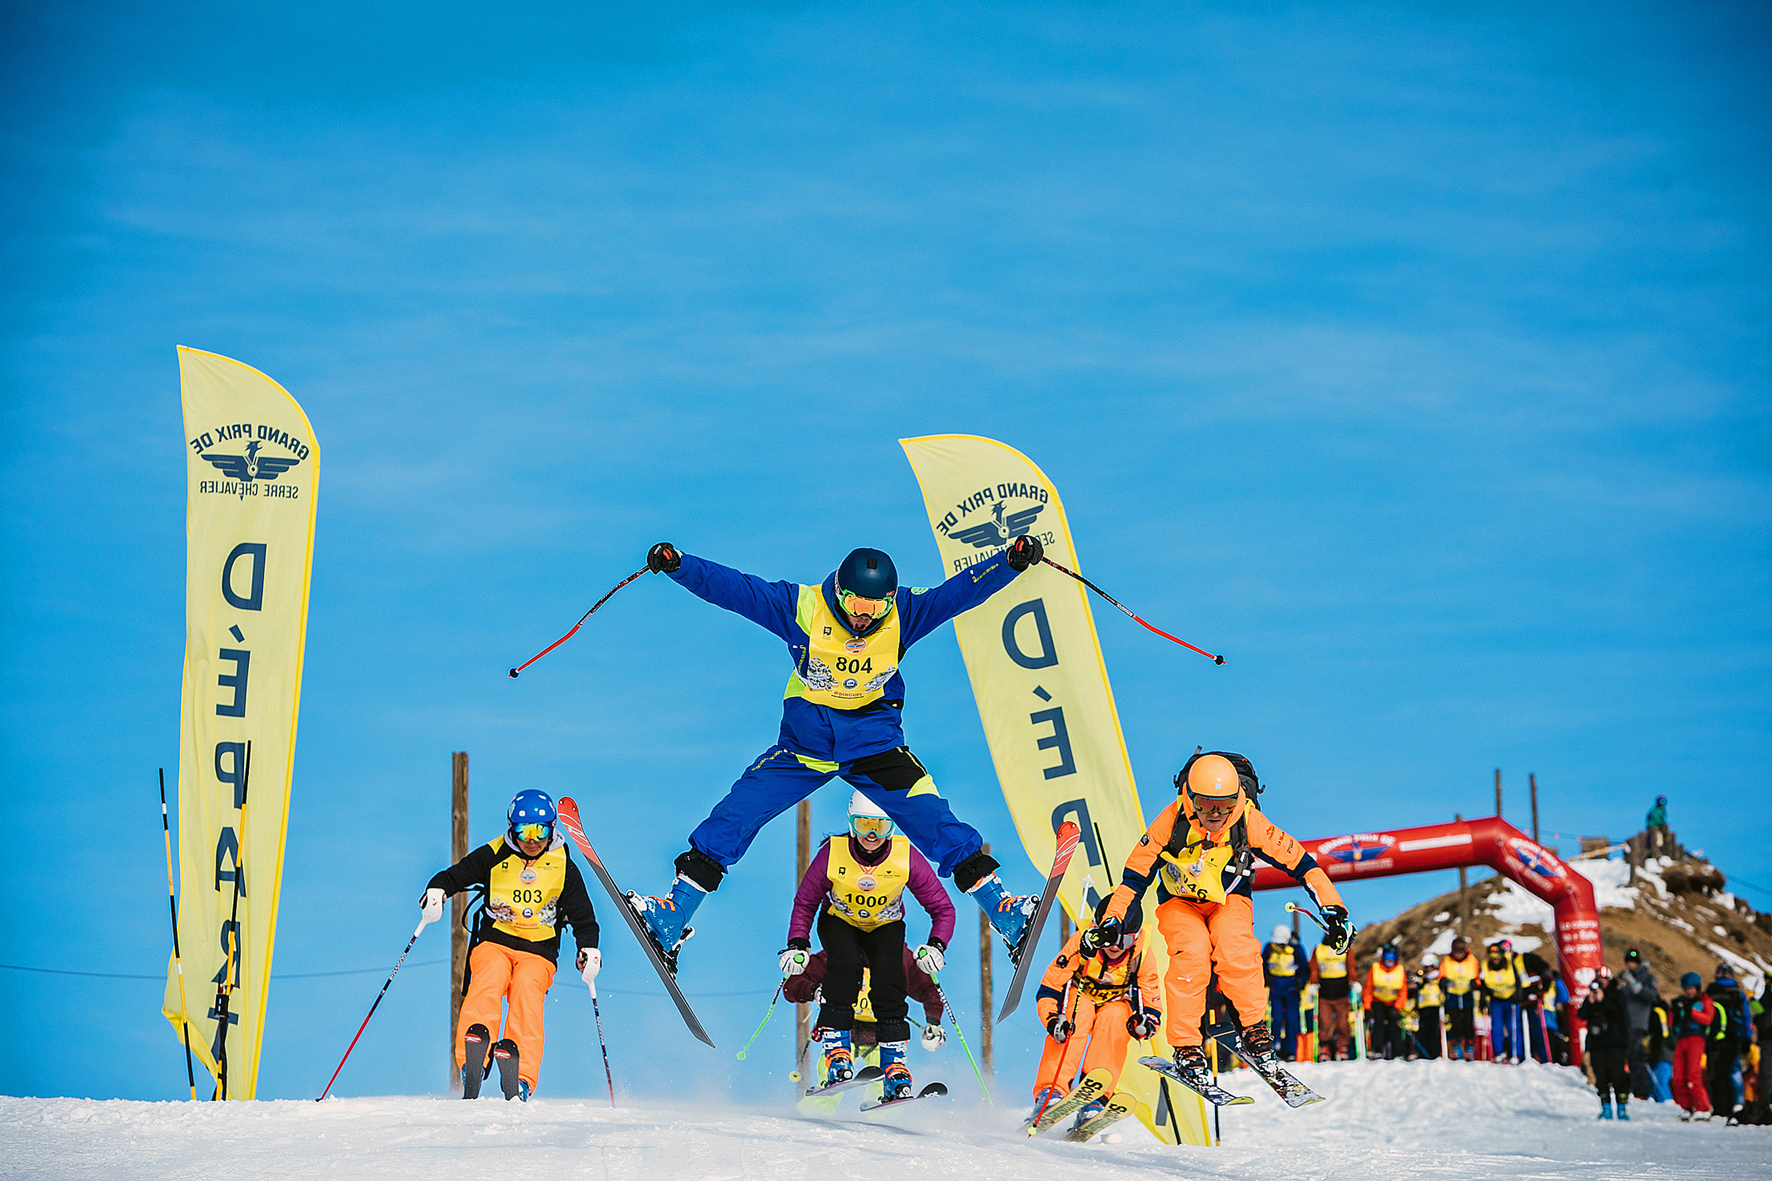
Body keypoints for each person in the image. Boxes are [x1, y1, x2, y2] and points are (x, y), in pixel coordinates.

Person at [630, 539, 1044, 964]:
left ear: (889, 601)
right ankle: (673, 914)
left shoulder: (906, 613)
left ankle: (1005, 912)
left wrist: (1008, 563)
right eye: (853, 602)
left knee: (932, 817)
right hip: (806, 748)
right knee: (738, 811)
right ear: (838, 591)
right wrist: (680, 565)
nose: (862, 615)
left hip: (874, 746)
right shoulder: (803, 607)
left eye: (875, 607)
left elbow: (958, 592)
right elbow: (737, 590)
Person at [1081, 751, 1352, 1093]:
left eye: (1225, 806)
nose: (1217, 815)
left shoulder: (1248, 819)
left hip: (1229, 898)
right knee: (1191, 957)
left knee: (1238, 951)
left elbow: (1302, 863)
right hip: (1181, 902)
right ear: (1191, 798)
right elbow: (1133, 879)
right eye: (1208, 805)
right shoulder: (1171, 820)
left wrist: (1333, 909)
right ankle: (1187, 1047)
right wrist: (1111, 922)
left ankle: (1253, 1030)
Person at [422, 789, 599, 1101]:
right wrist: (436, 892)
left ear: (552, 829)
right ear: (511, 828)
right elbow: (454, 876)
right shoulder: (495, 853)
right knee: (488, 976)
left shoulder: (562, 865)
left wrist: (589, 949)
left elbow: (584, 918)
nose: (532, 840)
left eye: (539, 831)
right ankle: (473, 1057)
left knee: (527, 990)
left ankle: (522, 1075)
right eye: (523, 831)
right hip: (495, 942)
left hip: (538, 951)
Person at [780, 791, 955, 1099]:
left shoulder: (906, 857)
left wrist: (937, 945)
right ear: (851, 824)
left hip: (884, 926)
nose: (872, 835)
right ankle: (837, 1054)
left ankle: (894, 1066)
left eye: (881, 827)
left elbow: (942, 907)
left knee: (890, 977)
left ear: (892, 827)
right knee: (844, 966)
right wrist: (797, 943)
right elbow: (806, 901)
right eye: (863, 825)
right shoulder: (833, 854)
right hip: (840, 921)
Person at [1030, 896, 1162, 1134]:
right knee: (1076, 1016)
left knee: (1116, 1017)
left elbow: (1150, 999)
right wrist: (1052, 1019)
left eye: (1127, 940)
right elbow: (1050, 987)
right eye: (1110, 938)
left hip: (1114, 1004)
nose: (1116, 947)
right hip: (1081, 998)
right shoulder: (1080, 945)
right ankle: (1051, 1091)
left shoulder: (1142, 955)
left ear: (1136, 937)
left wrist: (1147, 1023)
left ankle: (1095, 1099)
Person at [781, 944, 946, 1082]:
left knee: (881, 1082)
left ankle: (890, 1103)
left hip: (880, 1036)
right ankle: (814, 1108)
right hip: (842, 1032)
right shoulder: (838, 954)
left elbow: (929, 988)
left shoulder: (899, 957)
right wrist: (814, 990)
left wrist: (934, 1020)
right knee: (828, 1082)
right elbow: (793, 983)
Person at [1578, 967, 1631, 1119]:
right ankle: (1605, 1107)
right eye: (1599, 980)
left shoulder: (1618, 994)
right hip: (1597, 1043)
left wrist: (1604, 1001)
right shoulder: (1593, 996)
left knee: (1617, 1075)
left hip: (1615, 1042)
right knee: (1600, 1076)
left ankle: (1621, 1108)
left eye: (1604, 980)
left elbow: (1621, 1014)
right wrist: (1590, 1001)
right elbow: (1581, 1015)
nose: (1601, 983)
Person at [1706, 963, 1750, 1124]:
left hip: (1714, 1039)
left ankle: (1718, 1107)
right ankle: (1738, 1106)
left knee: (1715, 1075)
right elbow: (1746, 1017)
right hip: (1735, 1038)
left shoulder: (1710, 993)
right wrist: (1747, 1038)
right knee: (1734, 1073)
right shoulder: (1737, 993)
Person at [1669, 971, 1715, 1120]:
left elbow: (1708, 1018)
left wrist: (1692, 1013)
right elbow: (1673, 1024)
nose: (1689, 991)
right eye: (1686, 988)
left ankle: (1703, 1107)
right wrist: (1674, 1011)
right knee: (1678, 1078)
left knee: (1693, 1076)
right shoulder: (1682, 1002)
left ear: (1697, 987)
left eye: (1691, 988)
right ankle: (1687, 1106)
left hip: (1696, 1039)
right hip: (1682, 1039)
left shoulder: (1704, 1001)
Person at [1262, 923, 1308, 1061]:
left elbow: (1304, 967)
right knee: (1275, 1019)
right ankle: (1275, 1048)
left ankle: (1290, 1051)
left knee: (1292, 1020)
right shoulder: (1269, 948)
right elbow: (1262, 965)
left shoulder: (1296, 949)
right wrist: (1266, 978)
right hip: (1275, 987)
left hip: (1291, 987)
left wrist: (1301, 982)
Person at [1617, 948, 1659, 1098]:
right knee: (1625, 1057)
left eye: (1633, 962)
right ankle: (1629, 1088)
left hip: (1639, 1023)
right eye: (1628, 962)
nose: (1630, 965)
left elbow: (1652, 996)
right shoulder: (1623, 978)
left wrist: (1635, 985)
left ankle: (1642, 1091)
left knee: (1637, 1058)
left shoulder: (1647, 977)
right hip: (1624, 1023)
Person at [1480, 940, 1526, 1063]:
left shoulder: (1510, 963)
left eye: (1497, 957)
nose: (1495, 960)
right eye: (1493, 957)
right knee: (1496, 1028)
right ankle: (1499, 1053)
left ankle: (1516, 1053)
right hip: (1496, 1000)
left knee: (1514, 1027)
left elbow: (1519, 980)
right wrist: (1483, 1000)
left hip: (1511, 999)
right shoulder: (1485, 966)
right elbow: (1483, 986)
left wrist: (1519, 994)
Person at [1309, 933, 1353, 1060]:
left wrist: (1353, 980)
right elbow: (1314, 968)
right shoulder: (1319, 949)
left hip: (1341, 992)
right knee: (1324, 1022)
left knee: (1342, 1023)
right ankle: (1325, 1048)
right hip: (1324, 993)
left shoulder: (1345, 948)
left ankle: (1342, 1047)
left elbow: (1351, 965)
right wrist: (1313, 982)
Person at [1363, 944, 1409, 1061]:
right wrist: (1367, 1007)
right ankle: (1377, 1049)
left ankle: (1398, 1052)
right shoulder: (1375, 968)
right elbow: (1368, 989)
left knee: (1394, 1026)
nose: (1390, 959)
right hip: (1378, 1002)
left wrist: (1397, 1007)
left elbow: (1403, 991)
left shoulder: (1400, 970)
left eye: (1392, 956)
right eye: (1387, 955)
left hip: (1393, 1003)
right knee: (1379, 1025)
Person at [1438, 936, 1480, 1061]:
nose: (1459, 955)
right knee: (1455, 1022)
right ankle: (1455, 1047)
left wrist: (1475, 983)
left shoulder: (1472, 960)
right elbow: (1441, 976)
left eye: (1461, 952)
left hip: (1467, 994)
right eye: (1456, 953)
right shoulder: (1446, 961)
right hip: (1453, 995)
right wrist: (1443, 981)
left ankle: (1469, 1046)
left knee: (1468, 1021)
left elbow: (1477, 976)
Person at [1646, 995, 1676, 1103]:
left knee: (1660, 1081)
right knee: (1659, 1081)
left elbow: (1661, 1033)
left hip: (1662, 1051)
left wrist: (1655, 1052)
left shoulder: (1656, 1012)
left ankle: (1667, 1102)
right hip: (1664, 1050)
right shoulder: (1663, 1010)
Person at [1415, 953, 1444, 1059]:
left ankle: (1435, 1053)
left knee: (1434, 1032)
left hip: (1435, 1008)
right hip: (1423, 1009)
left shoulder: (1439, 981)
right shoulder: (1422, 981)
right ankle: (1423, 1054)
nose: (1427, 970)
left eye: (1429, 968)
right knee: (1423, 1032)